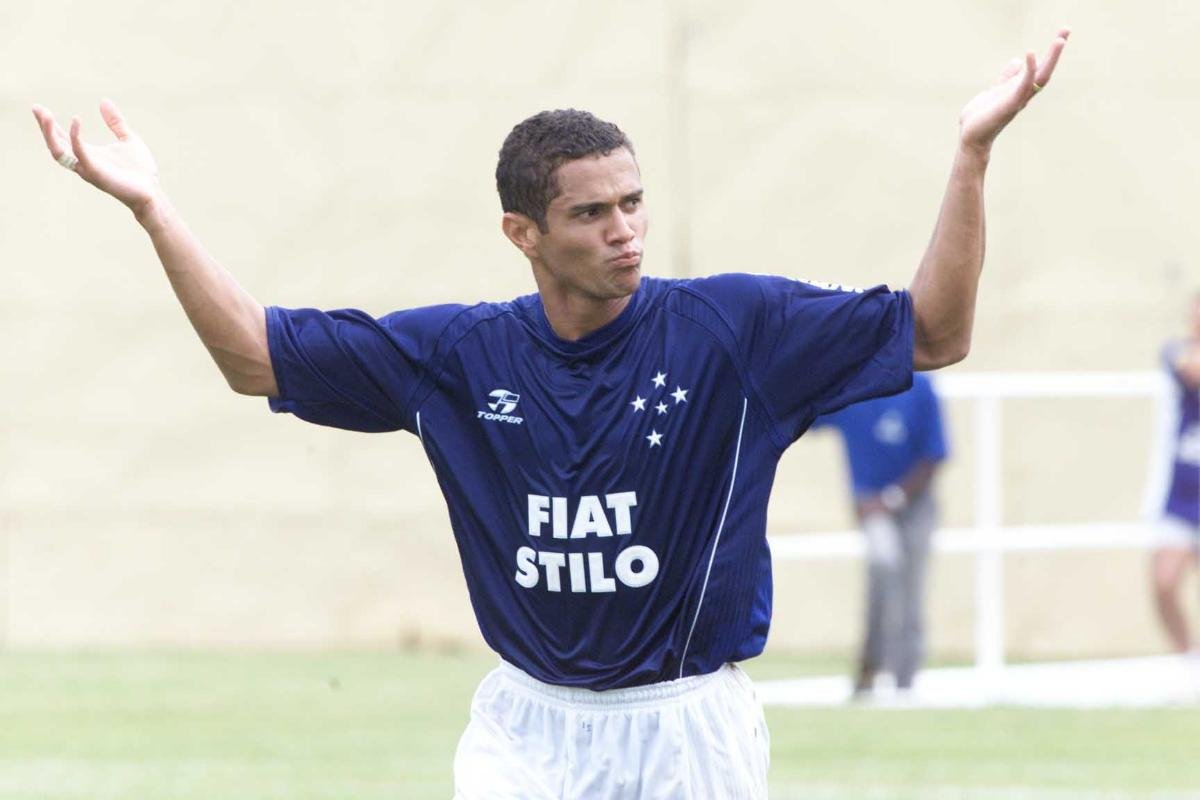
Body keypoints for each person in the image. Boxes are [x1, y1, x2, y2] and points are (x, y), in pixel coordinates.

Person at [32, 28, 1068, 800]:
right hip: (525, 728)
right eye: (590, 211)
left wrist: (972, 155)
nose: (625, 230)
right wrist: (152, 210)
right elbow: (253, 355)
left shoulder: (734, 328)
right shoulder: (456, 353)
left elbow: (935, 332)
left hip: (686, 731)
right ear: (521, 231)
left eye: (632, 202)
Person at [813, 373, 948, 697]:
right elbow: (807, 414)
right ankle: (870, 667)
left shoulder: (920, 387)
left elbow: (934, 455)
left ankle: (906, 680)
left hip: (915, 502)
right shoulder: (851, 386)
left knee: (911, 587)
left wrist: (893, 497)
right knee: (882, 568)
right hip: (870, 506)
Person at [1146, 292, 1200, 656]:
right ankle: (1185, 655)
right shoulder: (1176, 352)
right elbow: (1190, 370)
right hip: (1181, 493)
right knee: (1164, 581)